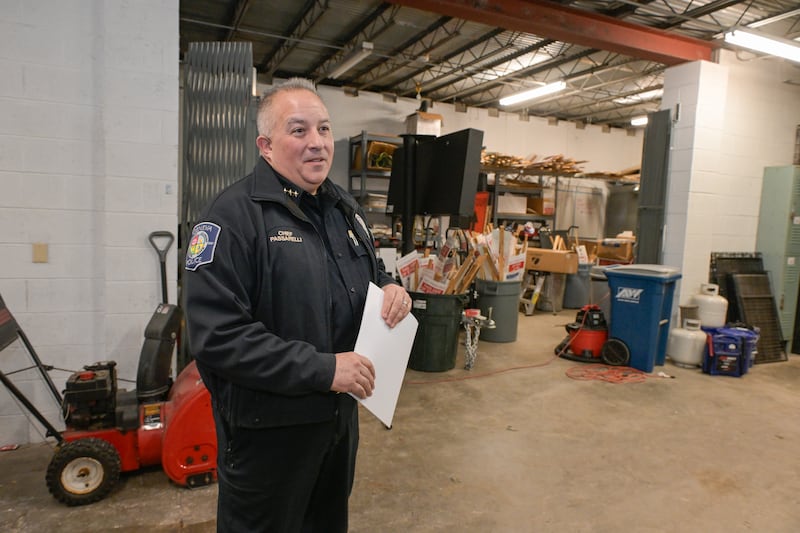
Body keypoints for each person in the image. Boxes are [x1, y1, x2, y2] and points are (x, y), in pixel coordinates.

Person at [183, 77, 411, 532]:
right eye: (299, 130)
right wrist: (325, 370)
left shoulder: (343, 208)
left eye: (324, 130)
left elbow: (369, 272)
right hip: (268, 438)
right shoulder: (231, 219)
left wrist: (390, 287)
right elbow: (218, 337)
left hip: (336, 427)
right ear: (266, 146)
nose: (317, 144)